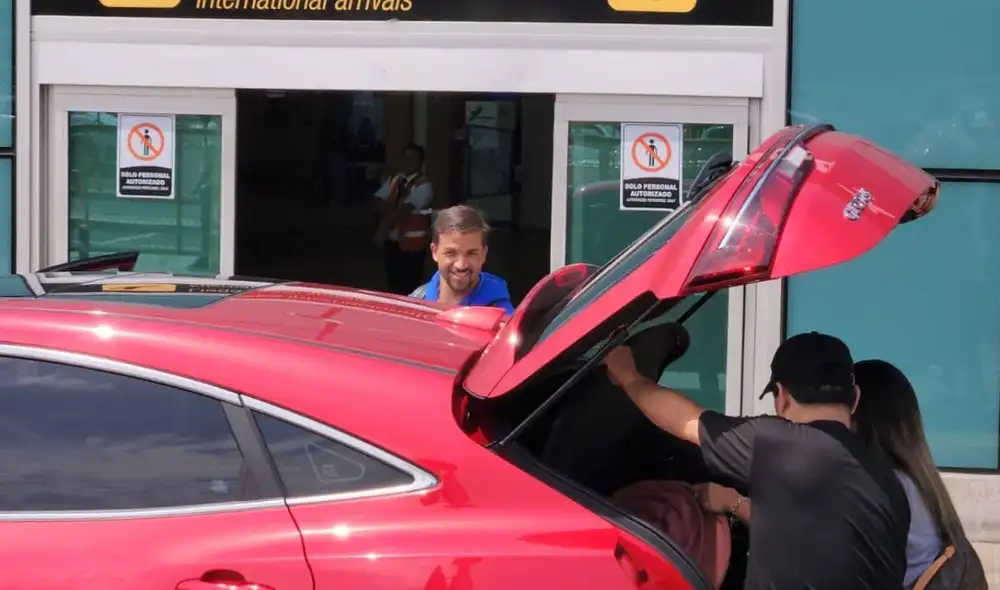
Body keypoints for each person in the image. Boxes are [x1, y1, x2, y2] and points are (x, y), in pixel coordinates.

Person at [602, 331, 911, 589]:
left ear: (782, 396)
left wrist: (629, 378)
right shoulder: (891, 484)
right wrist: (734, 502)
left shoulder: (776, 446)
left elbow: (684, 421)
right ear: (854, 398)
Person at [696, 359, 988, 589]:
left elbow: (805, 534)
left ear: (859, 411)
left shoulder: (881, 483)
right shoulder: (910, 480)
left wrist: (732, 502)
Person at [408, 205, 514, 314]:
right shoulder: (415, 302)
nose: (461, 265)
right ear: (434, 252)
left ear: (484, 254)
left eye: (471, 253)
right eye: (450, 253)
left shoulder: (503, 317)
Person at [372, 143, 434, 295]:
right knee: (392, 283)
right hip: (393, 241)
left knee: (408, 286)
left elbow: (405, 209)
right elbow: (377, 201)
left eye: (413, 158)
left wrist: (383, 227)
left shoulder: (424, 185)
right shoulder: (395, 180)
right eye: (405, 158)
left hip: (411, 245)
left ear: (420, 162)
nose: (408, 162)